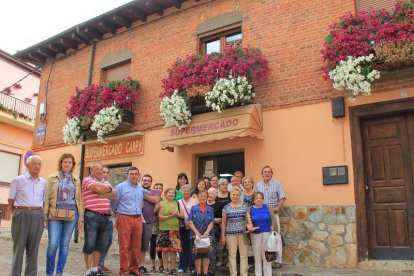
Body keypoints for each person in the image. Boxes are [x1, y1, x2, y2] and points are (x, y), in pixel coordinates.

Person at [111, 167, 160, 276]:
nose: (134, 176)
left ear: (138, 176)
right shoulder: (120, 187)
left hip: (138, 218)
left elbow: (155, 199)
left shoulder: (140, 189)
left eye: (136, 174)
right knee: (124, 246)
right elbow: (114, 202)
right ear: (127, 175)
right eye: (131, 174)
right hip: (124, 217)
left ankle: (134, 267)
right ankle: (124, 270)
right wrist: (116, 213)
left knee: (136, 246)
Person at [43, 153, 84, 276]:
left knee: (65, 244)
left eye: (70, 162)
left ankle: (59, 272)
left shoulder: (76, 180)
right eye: (65, 162)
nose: (67, 164)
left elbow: (79, 199)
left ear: (72, 165)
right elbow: (46, 197)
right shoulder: (52, 178)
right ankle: (50, 272)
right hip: (54, 213)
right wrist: (44, 216)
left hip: (72, 214)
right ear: (61, 163)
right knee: (53, 243)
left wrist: (81, 217)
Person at [8, 155, 46, 276]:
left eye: (39, 164)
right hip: (21, 213)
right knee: (18, 249)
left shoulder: (43, 182)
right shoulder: (18, 180)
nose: (37, 166)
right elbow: (10, 199)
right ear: (28, 165)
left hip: (37, 215)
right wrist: (14, 214)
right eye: (34, 163)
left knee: (33, 250)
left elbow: (44, 201)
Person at [82, 162, 117, 276]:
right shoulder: (87, 179)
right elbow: (96, 188)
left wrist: (102, 190)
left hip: (105, 217)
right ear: (91, 171)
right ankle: (88, 271)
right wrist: (106, 190)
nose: (100, 171)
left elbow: (115, 195)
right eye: (96, 169)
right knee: (90, 243)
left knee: (100, 245)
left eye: (101, 169)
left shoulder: (106, 182)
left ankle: (94, 269)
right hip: (91, 215)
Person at [255, 165, 286, 267]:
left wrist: (278, 208)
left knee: (275, 236)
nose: (267, 173)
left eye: (269, 172)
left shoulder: (277, 184)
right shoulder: (258, 185)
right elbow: (255, 199)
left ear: (272, 174)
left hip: (273, 213)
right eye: (265, 172)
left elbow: (282, 197)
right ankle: (267, 260)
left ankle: (278, 261)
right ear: (262, 174)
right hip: (262, 214)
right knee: (264, 237)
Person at [246, 192, 278, 276]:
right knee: (257, 257)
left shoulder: (267, 207)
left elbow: (273, 219)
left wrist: (273, 226)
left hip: (267, 234)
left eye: (260, 198)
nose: (259, 199)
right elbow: (247, 222)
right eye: (257, 198)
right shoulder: (250, 209)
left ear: (262, 199)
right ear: (253, 200)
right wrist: (250, 227)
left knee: (267, 256)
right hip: (255, 234)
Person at [221, 187, 248, 276]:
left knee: (244, 255)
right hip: (230, 234)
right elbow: (224, 222)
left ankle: (244, 274)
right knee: (232, 255)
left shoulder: (245, 206)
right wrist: (223, 236)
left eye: (237, 195)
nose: (235, 196)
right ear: (230, 195)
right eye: (233, 194)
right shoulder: (226, 207)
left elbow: (248, 220)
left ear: (240, 196)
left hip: (243, 234)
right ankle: (233, 274)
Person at [157, 187, 184, 275]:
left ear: (175, 195)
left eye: (173, 193)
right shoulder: (162, 203)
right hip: (164, 229)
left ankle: (173, 268)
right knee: (165, 250)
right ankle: (166, 268)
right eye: (169, 192)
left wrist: (176, 214)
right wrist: (171, 216)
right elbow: (160, 217)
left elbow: (182, 216)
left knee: (174, 250)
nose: (171, 194)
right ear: (166, 194)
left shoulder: (178, 203)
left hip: (175, 229)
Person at [188, 190, 214, 276]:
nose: (202, 198)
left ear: (207, 197)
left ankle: (205, 273)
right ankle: (198, 273)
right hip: (195, 235)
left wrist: (206, 232)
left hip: (207, 235)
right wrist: (196, 232)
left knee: (207, 254)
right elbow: (190, 221)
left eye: (204, 196)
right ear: (198, 197)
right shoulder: (193, 208)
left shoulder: (211, 209)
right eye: (201, 196)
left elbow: (211, 222)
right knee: (197, 254)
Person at [139, 174, 161, 274]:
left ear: (151, 182)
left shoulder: (155, 192)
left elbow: (155, 200)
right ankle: (132, 265)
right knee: (134, 245)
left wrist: (142, 194)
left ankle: (141, 266)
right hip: (136, 220)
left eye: (148, 180)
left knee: (144, 245)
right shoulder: (136, 189)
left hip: (148, 222)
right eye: (144, 180)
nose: (146, 182)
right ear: (141, 181)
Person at [177, 184, 198, 274]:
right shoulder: (178, 202)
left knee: (192, 248)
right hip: (182, 228)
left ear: (190, 192)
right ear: (181, 192)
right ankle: (182, 266)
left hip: (192, 228)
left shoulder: (195, 201)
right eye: (184, 191)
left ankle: (192, 267)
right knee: (182, 248)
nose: (186, 192)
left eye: (188, 191)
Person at [98, 166, 112, 273]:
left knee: (108, 241)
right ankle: (96, 264)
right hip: (98, 216)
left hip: (108, 216)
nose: (105, 174)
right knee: (99, 242)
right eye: (103, 172)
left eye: (107, 172)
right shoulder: (96, 184)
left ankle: (101, 263)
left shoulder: (109, 185)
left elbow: (113, 198)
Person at [216, 178, 230, 267]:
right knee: (219, 242)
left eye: (226, 184)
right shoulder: (216, 196)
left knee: (229, 241)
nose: (224, 186)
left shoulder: (230, 195)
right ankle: (220, 259)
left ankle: (228, 260)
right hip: (218, 222)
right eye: (222, 184)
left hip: (229, 221)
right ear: (219, 186)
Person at [206, 188, 221, 275]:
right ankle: (203, 268)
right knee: (203, 249)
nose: (210, 195)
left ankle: (211, 269)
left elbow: (221, 219)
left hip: (214, 230)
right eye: (209, 193)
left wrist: (211, 220)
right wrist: (213, 219)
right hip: (202, 229)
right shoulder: (203, 204)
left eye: (212, 193)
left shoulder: (218, 205)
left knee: (212, 249)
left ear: (216, 195)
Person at [150, 183, 164, 273]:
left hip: (162, 226)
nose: (158, 189)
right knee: (153, 246)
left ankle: (162, 265)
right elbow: (150, 212)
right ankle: (153, 265)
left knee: (160, 246)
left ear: (162, 190)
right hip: (153, 226)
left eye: (160, 188)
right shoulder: (151, 199)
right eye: (156, 188)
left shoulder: (164, 200)